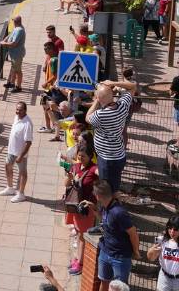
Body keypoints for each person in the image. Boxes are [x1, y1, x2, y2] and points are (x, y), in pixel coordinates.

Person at [80, 180, 141, 288]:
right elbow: (106, 222)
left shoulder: (119, 212)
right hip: (105, 252)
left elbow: (133, 233)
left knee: (119, 288)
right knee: (104, 281)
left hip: (120, 257)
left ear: (98, 196)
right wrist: (94, 208)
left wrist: (136, 252)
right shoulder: (106, 206)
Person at [86, 79, 137, 193]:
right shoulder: (123, 105)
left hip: (107, 159)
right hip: (119, 155)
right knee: (114, 183)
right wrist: (114, 83)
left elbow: (87, 117)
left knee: (106, 189)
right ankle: (113, 201)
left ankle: (109, 207)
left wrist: (96, 101)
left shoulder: (100, 115)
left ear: (99, 98)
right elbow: (133, 86)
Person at [65, 143, 99, 275]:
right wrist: (70, 178)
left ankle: (80, 263)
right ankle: (78, 260)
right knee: (79, 234)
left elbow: (102, 175)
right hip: (76, 206)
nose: (80, 158)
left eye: (83, 156)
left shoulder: (93, 169)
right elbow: (66, 184)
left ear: (91, 156)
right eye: (79, 156)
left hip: (86, 208)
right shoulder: (76, 167)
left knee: (83, 236)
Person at [0, 101, 33, 203]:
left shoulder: (27, 123)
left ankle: (21, 194)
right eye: (17, 109)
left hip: (20, 153)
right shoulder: (16, 117)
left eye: (20, 110)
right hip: (11, 150)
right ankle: (10, 188)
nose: (17, 111)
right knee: (7, 166)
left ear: (25, 110)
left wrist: (21, 156)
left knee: (22, 173)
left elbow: (28, 142)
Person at [146, 215, 179, 291]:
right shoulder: (161, 240)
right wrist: (152, 250)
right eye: (170, 228)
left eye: (176, 229)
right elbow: (150, 258)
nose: (172, 232)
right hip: (164, 277)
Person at [0, 16, 26, 93]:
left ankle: (18, 87)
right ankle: (12, 83)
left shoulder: (19, 30)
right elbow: (11, 34)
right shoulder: (18, 27)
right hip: (14, 54)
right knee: (14, 68)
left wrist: (4, 43)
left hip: (17, 55)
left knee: (18, 71)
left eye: (13, 21)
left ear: (15, 22)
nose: (12, 22)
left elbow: (14, 43)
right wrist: (5, 39)